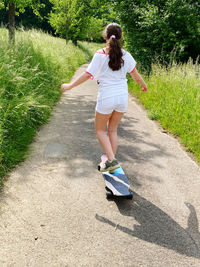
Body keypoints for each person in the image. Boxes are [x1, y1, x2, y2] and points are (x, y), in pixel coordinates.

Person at [61, 23, 147, 172]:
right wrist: (143, 85)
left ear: (105, 36)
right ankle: (110, 162)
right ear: (120, 37)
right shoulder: (126, 55)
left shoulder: (100, 55)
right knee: (112, 130)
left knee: (100, 130)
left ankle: (112, 161)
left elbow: (88, 74)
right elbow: (135, 75)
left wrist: (70, 85)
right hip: (122, 98)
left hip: (107, 97)